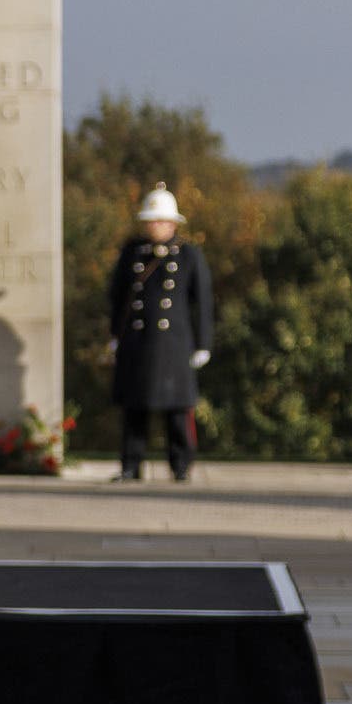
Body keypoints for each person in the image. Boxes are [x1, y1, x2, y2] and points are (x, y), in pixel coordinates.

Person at [108, 185, 213, 483]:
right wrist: (115, 334)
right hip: (137, 344)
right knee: (134, 410)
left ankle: (180, 466)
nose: (156, 226)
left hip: (174, 345)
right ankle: (131, 465)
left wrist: (203, 343)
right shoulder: (132, 253)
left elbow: (203, 303)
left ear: (173, 224)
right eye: (152, 220)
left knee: (178, 411)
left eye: (162, 221)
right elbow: (117, 297)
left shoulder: (189, 255)